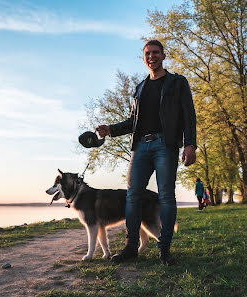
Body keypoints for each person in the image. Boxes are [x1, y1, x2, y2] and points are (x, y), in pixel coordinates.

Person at [97, 40, 197, 265]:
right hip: (141, 146)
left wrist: (190, 144)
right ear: (144, 58)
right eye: (147, 53)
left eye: (155, 53)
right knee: (132, 196)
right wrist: (111, 130)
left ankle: (164, 249)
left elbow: (189, 115)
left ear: (163, 55)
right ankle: (131, 247)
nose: (151, 56)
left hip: (166, 145)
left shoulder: (177, 82)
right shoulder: (140, 88)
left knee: (166, 196)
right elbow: (134, 121)